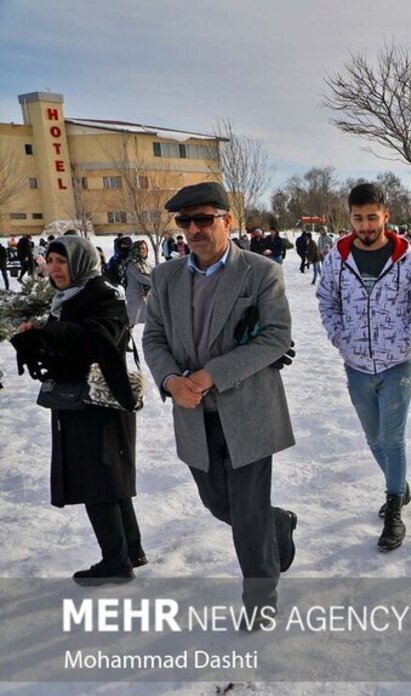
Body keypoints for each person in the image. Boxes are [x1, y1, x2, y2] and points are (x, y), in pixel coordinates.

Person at [141, 181, 297, 616]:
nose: (193, 229)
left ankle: (260, 599)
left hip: (248, 411)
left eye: (204, 219)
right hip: (193, 412)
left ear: (227, 220)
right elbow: (153, 337)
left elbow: (275, 336)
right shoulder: (166, 277)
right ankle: (277, 522)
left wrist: (212, 374)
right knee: (217, 502)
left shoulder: (260, 272)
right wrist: (171, 381)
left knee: (247, 513)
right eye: (184, 221)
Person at [9, 236, 145, 584]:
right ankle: (130, 550)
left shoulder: (104, 295)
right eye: (51, 260)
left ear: (81, 263)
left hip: (101, 401)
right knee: (109, 477)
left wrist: (49, 332)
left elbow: (97, 339)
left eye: (62, 261)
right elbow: (66, 349)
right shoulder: (67, 299)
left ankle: (115, 562)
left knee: (97, 479)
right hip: (80, 401)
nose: (54, 268)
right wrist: (35, 340)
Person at [318, 182, 411, 551]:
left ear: (386, 215)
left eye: (372, 217)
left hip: (396, 365)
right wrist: (341, 338)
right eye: (358, 218)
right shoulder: (337, 259)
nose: (365, 226)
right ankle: (400, 486)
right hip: (356, 366)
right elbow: (327, 302)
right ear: (350, 217)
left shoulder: (408, 259)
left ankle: (394, 510)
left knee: (393, 439)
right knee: (373, 438)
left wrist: (406, 340)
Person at [124, 240, 154, 325]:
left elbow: (153, 273)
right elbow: (142, 277)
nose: (143, 251)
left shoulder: (144, 262)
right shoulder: (132, 263)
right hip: (135, 296)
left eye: (145, 248)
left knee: (146, 323)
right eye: (141, 248)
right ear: (135, 249)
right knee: (133, 322)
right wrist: (157, 281)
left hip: (144, 296)